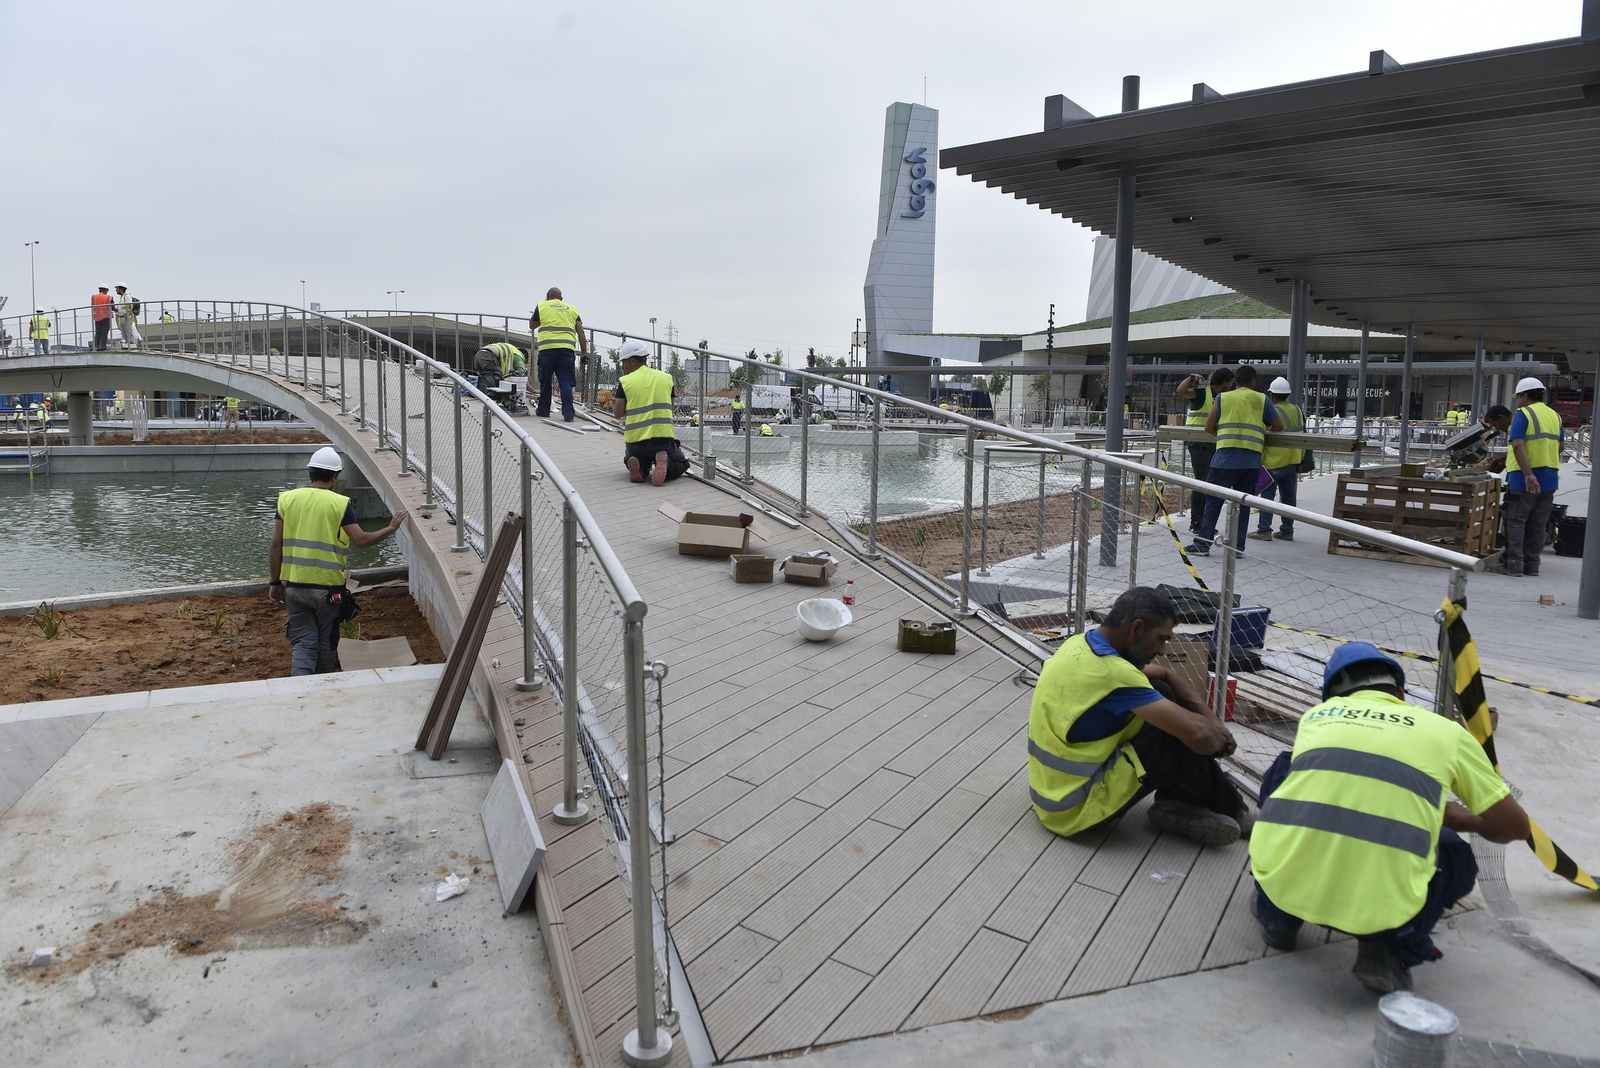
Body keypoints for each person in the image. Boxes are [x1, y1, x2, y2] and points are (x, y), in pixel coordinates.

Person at [1250, 642, 1528, 993]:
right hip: (1381, 901)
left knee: (1284, 769)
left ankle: (1278, 918)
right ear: (1399, 691)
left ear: (1332, 695)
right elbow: (1515, 828)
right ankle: (1387, 950)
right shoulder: (1446, 733)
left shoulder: (1315, 719)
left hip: (1285, 882)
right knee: (1457, 857)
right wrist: (1462, 820)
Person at [1028, 586, 1247, 847]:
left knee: (1162, 694)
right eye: (1161, 638)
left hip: (1051, 792)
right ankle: (1226, 808)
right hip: (1076, 809)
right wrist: (1218, 733)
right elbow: (1203, 740)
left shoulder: (1080, 644)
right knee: (1173, 730)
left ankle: (1182, 803)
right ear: (1137, 628)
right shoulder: (1114, 674)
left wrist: (1209, 721)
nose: (1163, 650)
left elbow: (1164, 674)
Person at [267, 447, 407, 676]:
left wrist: (274, 583)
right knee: (326, 640)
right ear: (335, 477)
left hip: (294, 585)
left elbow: (275, 545)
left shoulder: (287, 499)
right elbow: (361, 540)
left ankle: (298, 685)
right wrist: (390, 528)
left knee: (303, 640)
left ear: (310, 473)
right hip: (328, 589)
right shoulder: (341, 504)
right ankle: (323, 686)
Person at [1188, 364, 1283, 556]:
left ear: (1235, 381)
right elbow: (1278, 425)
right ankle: (1237, 548)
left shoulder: (1223, 398)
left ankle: (1203, 544)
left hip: (1224, 459)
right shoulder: (1262, 399)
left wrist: (1222, 436)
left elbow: (1208, 427)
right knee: (1242, 505)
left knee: (1213, 502)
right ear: (1253, 381)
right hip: (1251, 461)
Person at [1490, 377, 1563, 578]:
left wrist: (1529, 474)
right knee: (1538, 523)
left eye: (1518, 397)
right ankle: (1532, 565)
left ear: (1524, 395)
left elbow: (1518, 445)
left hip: (1524, 479)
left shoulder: (1524, 414)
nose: (1517, 402)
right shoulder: (1554, 415)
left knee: (1515, 521)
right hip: (1550, 479)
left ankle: (1513, 565)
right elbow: (1560, 447)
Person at [612, 340, 690, 486]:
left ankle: (639, 467)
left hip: (636, 443)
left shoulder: (625, 381)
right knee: (682, 463)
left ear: (633, 361)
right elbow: (670, 407)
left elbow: (617, 414)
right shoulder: (666, 378)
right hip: (662, 441)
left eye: (624, 362)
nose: (622, 367)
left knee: (629, 459)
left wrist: (617, 402)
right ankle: (665, 464)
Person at [1175, 368, 1235, 531]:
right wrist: (1190, 378)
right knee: (1202, 481)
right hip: (1198, 443)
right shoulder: (1203, 392)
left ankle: (1202, 521)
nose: (1232, 385)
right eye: (1231, 382)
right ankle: (1197, 522)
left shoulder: (1222, 396)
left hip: (1212, 443)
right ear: (1225, 381)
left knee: (1208, 481)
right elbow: (1181, 391)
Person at [1249, 377, 1303, 542]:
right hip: (1292, 459)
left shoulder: (1271, 411)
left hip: (1273, 461)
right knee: (1288, 497)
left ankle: (1264, 530)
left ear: (1271, 394)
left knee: (1268, 497)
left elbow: (1263, 433)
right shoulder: (1297, 409)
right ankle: (1287, 530)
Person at [529, 287, 588, 421]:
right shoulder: (572, 309)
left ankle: (544, 410)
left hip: (547, 349)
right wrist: (584, 352)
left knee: (545, 380)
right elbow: (581, 332)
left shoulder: (542, 306)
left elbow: (532, 325)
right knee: (565, 382)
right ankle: (568, 414)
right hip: (566, 350)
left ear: (547, 296)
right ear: (561, 298)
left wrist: (543, 319)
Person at [90, 287, 115, 351]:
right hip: (106, 317)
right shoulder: (109, 297)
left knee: (98, 332)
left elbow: (92, 305)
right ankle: (103, 347)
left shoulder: (93, 297)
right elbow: (113, 307)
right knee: (104, 333)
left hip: (97, 317)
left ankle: (96, 347)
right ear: (106, 290)